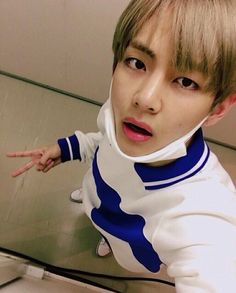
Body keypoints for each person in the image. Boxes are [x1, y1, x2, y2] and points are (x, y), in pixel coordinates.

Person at [7, 0, 236, 291]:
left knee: (116, 242)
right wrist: (64, 150)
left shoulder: (202, 214)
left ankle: (110, 240)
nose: (145, 98)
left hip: (127, 245)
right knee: (94, 204)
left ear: (218, 109)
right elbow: (104, 142)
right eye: (137, 63)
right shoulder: (131, 122)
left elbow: (214, 266)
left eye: (186, 82)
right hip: (98, 196)